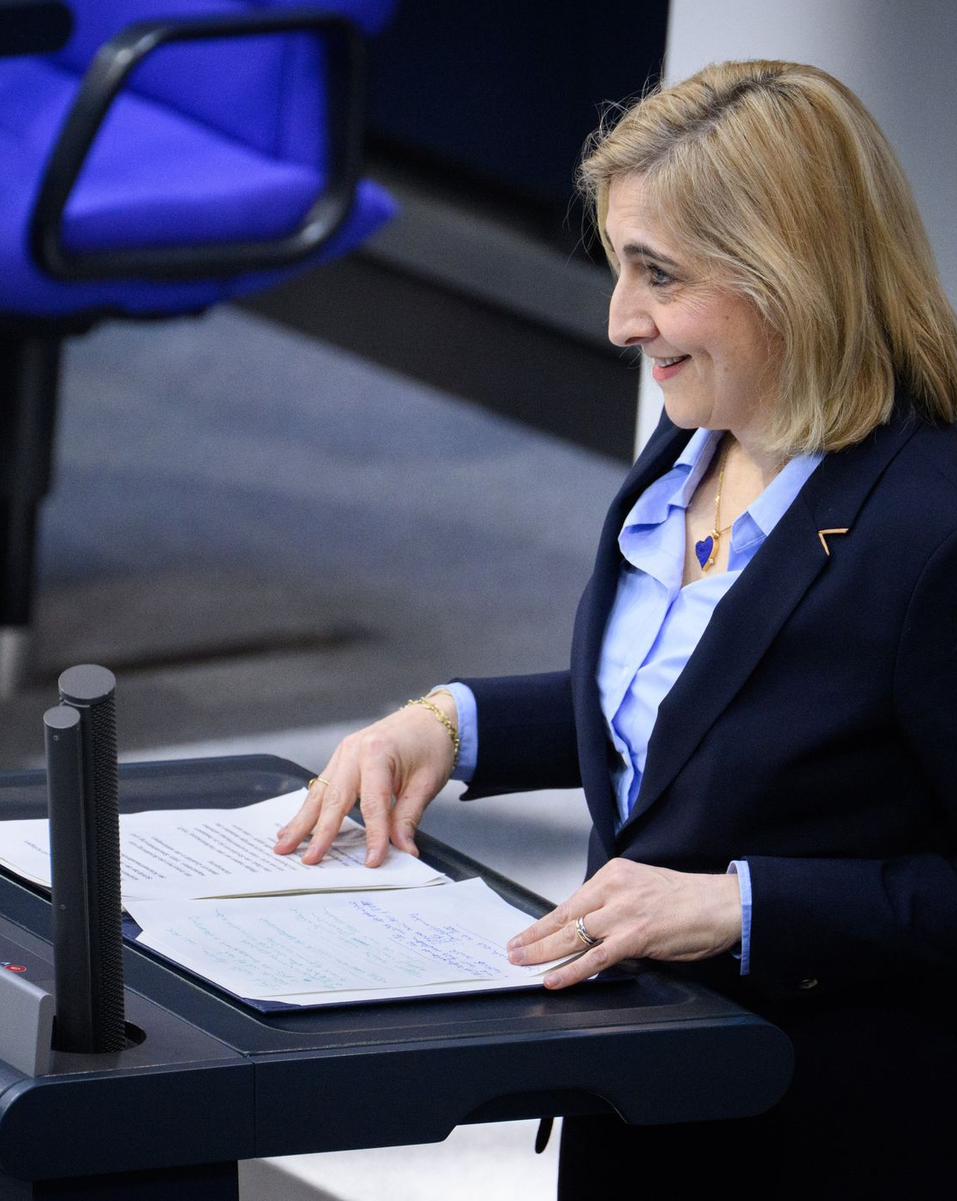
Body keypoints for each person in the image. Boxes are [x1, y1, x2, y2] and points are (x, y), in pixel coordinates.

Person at [272, 60, 957, 1195]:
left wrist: (740, 904)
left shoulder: (933, 533)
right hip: (638, 1102)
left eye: (658, 274)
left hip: (829, 1132)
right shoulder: (697, 448)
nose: (619, 319)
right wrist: (455, 723)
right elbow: (696, 714)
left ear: (788, 272)